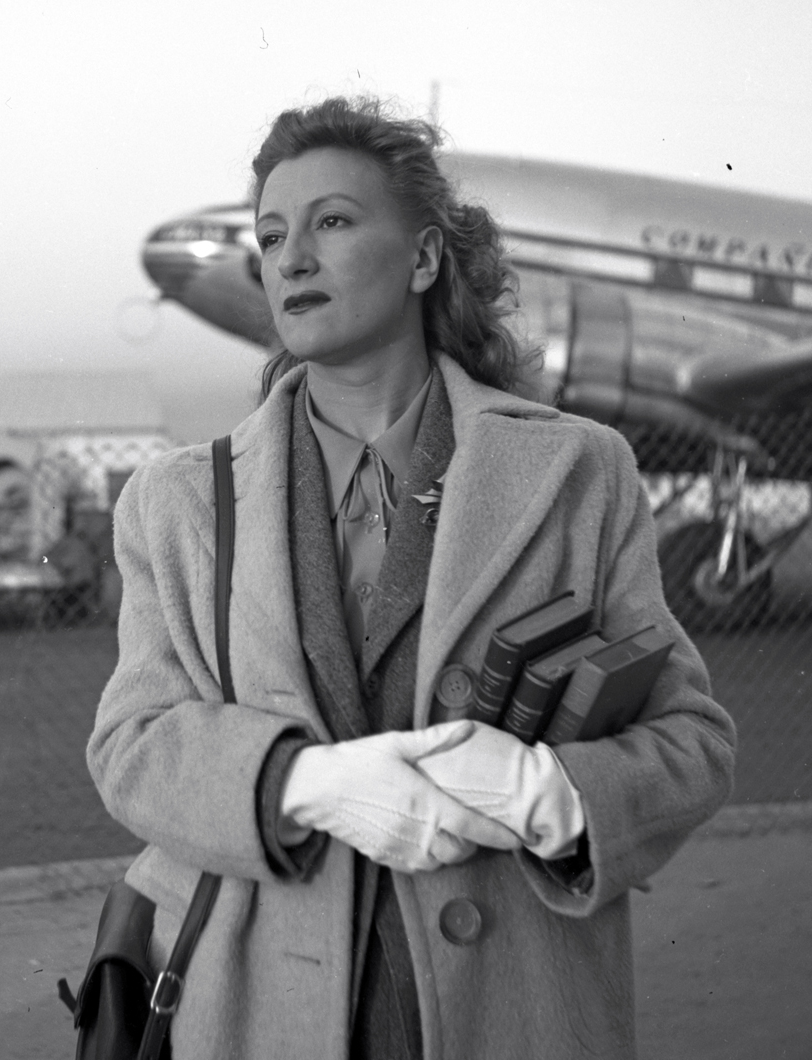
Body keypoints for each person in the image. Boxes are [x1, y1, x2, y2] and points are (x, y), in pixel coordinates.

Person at [88, 97, 735, 1060]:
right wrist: (298, 782)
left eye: (333, 222)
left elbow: (694, 743)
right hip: (255, 1011)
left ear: (426, 259)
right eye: (271, 237)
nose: (291, 258)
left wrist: (548, 794)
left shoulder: (580, 471)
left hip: (518, 1008)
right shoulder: (175, 501)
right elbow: (132, 746)